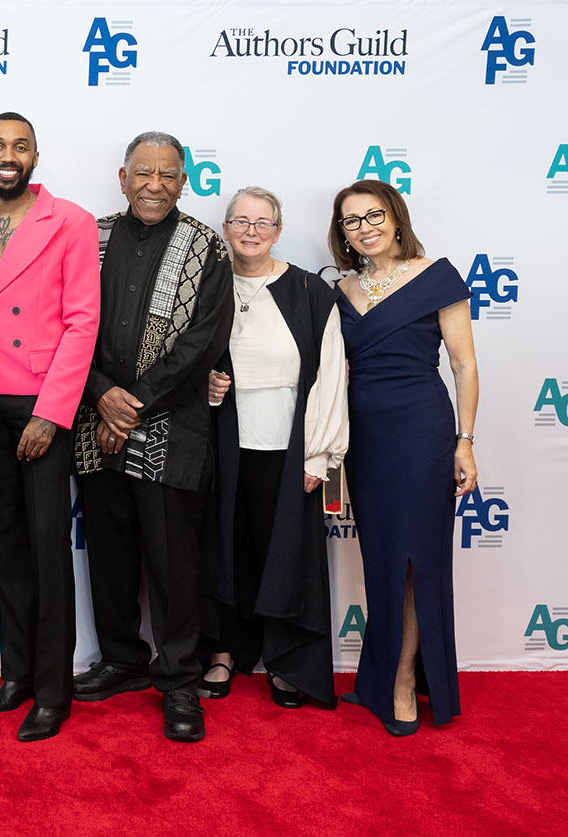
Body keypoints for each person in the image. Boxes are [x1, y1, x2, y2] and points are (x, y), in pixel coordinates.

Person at [71, 131, 233, 743]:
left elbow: (202, 345)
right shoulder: (91, 238)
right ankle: (121, 659)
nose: (155, 185)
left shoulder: (206, 248)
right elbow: (66, 323)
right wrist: (99, 396)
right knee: (110, 554)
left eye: (168, 175)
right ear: (122, 177)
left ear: (184, 181)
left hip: (170, 426)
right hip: (93, 417)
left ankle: (180, 680)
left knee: (172, 563)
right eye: (144, 173)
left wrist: (129, 406)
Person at [0, 112, 100, 741]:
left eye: (19, 146)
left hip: (42, 402)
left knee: (46, 547)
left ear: (36, 156)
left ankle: (52, 687)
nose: (7, 155)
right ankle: (15, 670)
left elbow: (82, 321)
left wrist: (51, 411)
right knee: (5, 544)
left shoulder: (71, 221)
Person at [328, 179, 477, 736]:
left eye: (373, 216)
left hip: (421, 433)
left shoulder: (436, 275)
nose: (364, 228)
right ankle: (376, 678)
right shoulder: (341, 290)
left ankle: (402, 681)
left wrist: (465, 440)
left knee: (417, 562)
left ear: (396, 218)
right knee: (383, 560)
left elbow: (463, 364)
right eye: (351, 220)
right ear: (341, 232)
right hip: (364, 440)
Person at [198, 187, 347, 710]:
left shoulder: (309, 291)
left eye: (263, 222)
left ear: (279, 230)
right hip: (222, 446)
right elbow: (187, 361)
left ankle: (288, 661)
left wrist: (319, 455)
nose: (251, 230)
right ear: (226, 228)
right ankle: (222, 651)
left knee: (286, 552)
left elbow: (330, 375)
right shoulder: (208, 286)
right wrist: (208, 387)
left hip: (290, 448)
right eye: (240, 220)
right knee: (223, 547)